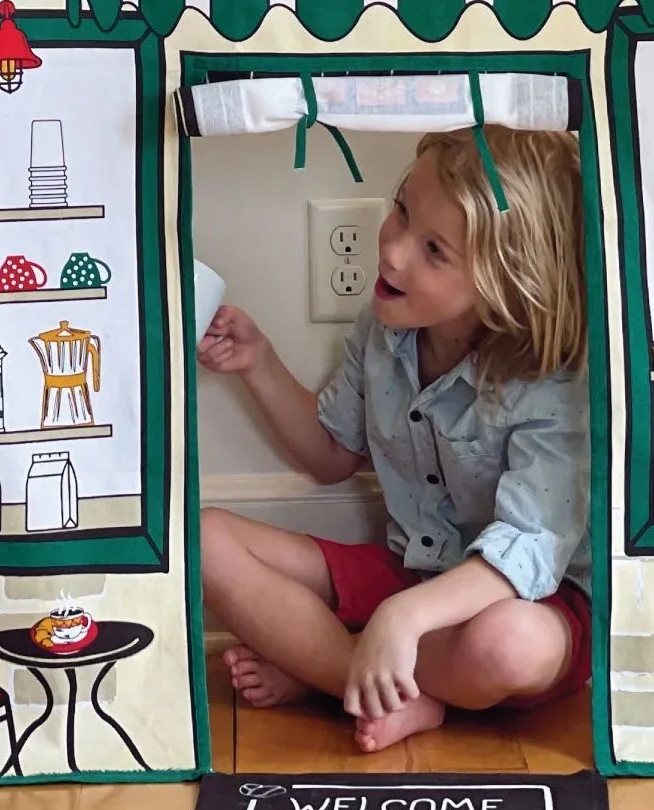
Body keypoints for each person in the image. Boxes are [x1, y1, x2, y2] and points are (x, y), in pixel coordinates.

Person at [197, 125, 591, 754]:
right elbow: (332, 455)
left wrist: (402, 617)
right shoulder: (386, 331)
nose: (394, 252)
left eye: (434, 250)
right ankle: (382, 683)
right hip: (413, 573)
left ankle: (331, 670)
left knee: (509, 643)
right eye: (402, 210)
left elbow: (528, 549)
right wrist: (259, 364)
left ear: (504, 284)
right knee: (205, 540)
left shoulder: (549, 383)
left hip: (523, 603)